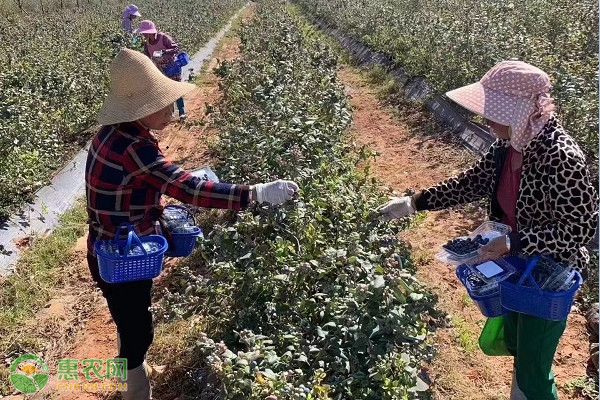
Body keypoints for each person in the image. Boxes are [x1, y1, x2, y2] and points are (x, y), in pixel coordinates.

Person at [86, 49, 299, 400]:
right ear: (141, 109)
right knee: (139, 330)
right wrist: (256, 192)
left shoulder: (111, 135)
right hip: (123, 255)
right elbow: (188, 189)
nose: (171, 110)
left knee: (125, 314)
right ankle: (134, 387)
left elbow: (139, 185)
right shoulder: (136, 149)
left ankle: (129, 363)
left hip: (105, 247)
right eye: (164, 103)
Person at [378, 60, 598, 399]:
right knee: (516, 342)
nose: (486, 120)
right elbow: (471, 183)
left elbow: (580, 230)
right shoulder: (510, 145)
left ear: (520, 110)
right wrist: (413, 203)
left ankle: (531, 388)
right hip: (516, 263)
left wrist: (514, 241)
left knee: (533, 369)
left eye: (494, 112)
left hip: (549, 273)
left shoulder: (561, 156)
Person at [136, 19, 187, 121]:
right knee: (166, 91)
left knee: (175, 89)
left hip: (172, 67)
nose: (144, 35)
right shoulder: (147, 44)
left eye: (145, 33)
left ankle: (182, 112)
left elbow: (175, 48)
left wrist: (164, 52)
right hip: (161, 69)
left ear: (150, 32)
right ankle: (170, 114)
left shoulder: (163, 38)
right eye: (143, 33)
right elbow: (147, 58)